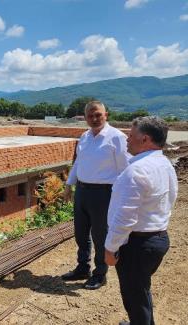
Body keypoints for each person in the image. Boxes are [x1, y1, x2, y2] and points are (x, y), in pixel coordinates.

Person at [105, 116, 178, 325]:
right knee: (140, 289)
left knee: (134, 297)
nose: (127, 139)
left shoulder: (135, 171)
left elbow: (125, 216)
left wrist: (110, 248)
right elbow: (171, 197)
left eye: (131, 135)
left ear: (145, 139)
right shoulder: (164, 163)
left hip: (137, 245)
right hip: (158, 238)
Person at [61, 101, 131, 290]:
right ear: (85, 118)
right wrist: (69, 186)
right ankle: (83, 267)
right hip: (82, 191)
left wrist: (122, 197)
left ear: (106, 114)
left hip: (104, 193)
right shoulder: (84, 137)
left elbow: (127, 170)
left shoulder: (117, 138)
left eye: (98, 115)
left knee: (101, 235)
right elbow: (78, 164)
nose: (94, 119)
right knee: (81, 233)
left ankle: (100, 274)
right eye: (90, 116)